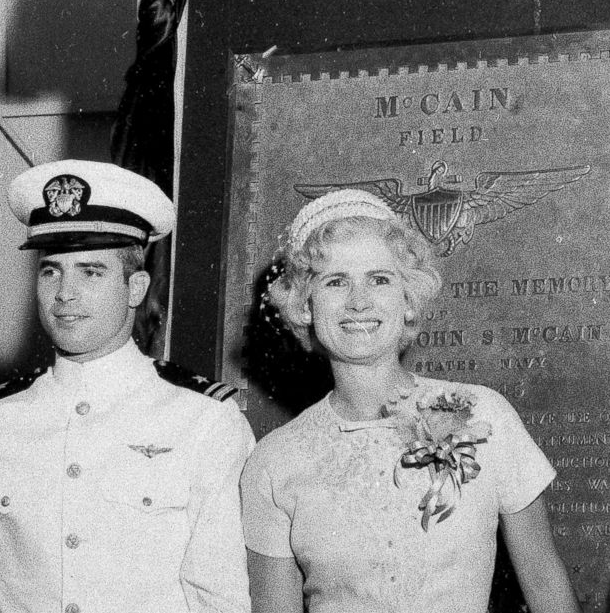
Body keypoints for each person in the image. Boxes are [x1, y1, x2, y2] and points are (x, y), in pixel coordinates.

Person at [241, 188, 580, 613]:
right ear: (305, 305)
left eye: (379, 279)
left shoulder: (484, 414)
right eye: (335, 281)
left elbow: (546, 586)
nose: (359, 301)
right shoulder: (274, 461)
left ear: (408, 299)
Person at [0, 160, 254, 613]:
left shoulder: (205, 421)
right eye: (51, 271)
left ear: (136, 288)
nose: (65, 294)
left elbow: (220, 597)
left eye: (91, 272)